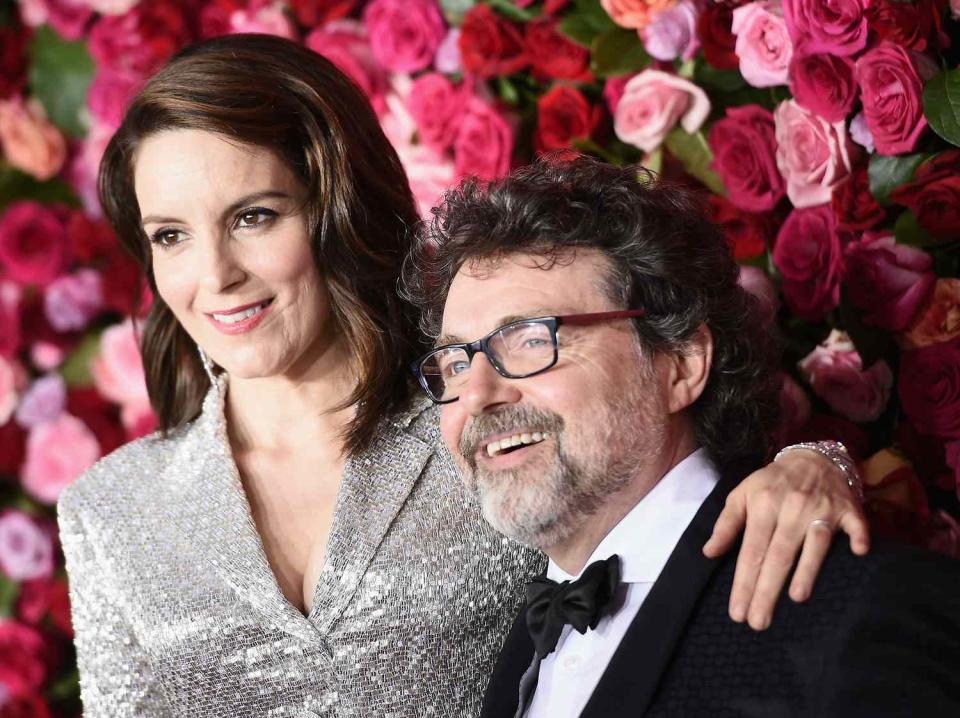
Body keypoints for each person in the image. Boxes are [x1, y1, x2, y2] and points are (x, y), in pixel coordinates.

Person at [58, 35, 867, 718]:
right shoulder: (111, 511)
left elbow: (670, 516)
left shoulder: (489, 418)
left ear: (337, 206)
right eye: (170, 236)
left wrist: (815, 465)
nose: (215, 275)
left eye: (253, 217)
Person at [402, 155, 960, 718]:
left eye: (527, 339)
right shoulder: (514, 644)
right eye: (453, 362)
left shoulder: (862, 608)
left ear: (683, 363)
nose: (475, 394)